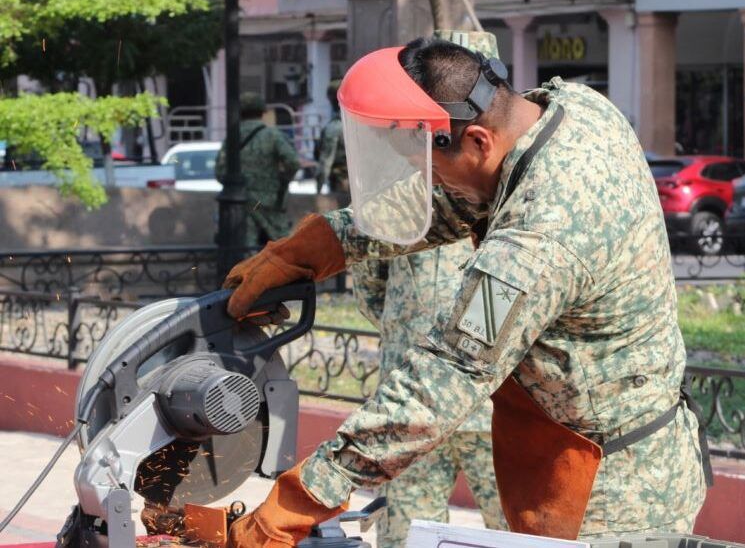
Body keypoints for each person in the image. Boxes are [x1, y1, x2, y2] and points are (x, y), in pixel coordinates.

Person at [222, 34, 707, 547]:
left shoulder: (535, 246)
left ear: (477, 140)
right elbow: (459, 204)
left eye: (433, 172)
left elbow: (445, 376)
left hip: (613, 494)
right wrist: (318, 245)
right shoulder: (571, 107)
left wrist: (304, 499)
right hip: (597, 448)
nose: (429, 185)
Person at [348, 32, 507, 548]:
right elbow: (370, 273)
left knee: (518, 530)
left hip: (491, 400)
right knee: (405, 533)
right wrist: (403, 328)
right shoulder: (397, 186)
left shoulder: (509, 183)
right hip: (411, 393)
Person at [215, 92, 301, 247]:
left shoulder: (232, 138)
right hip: (269, 202)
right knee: (284, 249)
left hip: (240, 203)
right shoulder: (273, 135)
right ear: (262, 112)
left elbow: (219, 171)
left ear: (240, 113)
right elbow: (293, 163)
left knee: (246, 252)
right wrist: (282, 181)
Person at [316, 79, 347, 195]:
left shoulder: (334, 128)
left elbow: (325, 162)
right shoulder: (364, 125)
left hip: (342, 185)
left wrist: (317, 192)